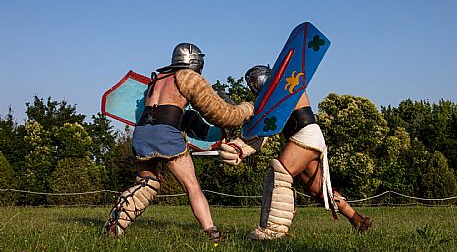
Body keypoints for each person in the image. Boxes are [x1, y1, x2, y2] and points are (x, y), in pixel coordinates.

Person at [103, 43, 254, 242]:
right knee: (192, 186)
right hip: (167, 134)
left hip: (141, 133)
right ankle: (212, 232)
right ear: (195, 61)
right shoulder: (189, 77)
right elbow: (221, 114)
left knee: (147, 183)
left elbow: (175, 113)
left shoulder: (156, 80)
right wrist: (248, 109)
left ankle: (114, 226)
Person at [218, 65, 372, 240]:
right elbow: (264, 131)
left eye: (254, 80)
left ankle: (274, 231)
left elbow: (267, 117)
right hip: (306, 139)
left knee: (280, 172)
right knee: (319, 192)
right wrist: (241, 143)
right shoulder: (270, 101)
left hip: (305, 135)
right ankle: (358, 220)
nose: (252, 86)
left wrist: (247, 115)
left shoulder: (286, 86)